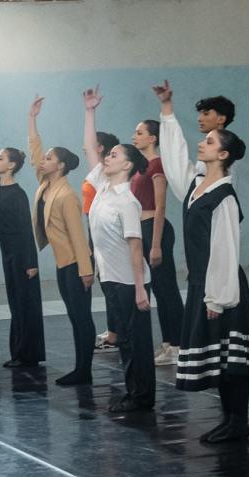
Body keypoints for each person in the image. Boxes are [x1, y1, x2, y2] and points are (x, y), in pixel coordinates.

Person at [154, 79, 249, 443]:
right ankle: (230, 419)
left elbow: (226, 251)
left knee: (233, 359)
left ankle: (239, 421)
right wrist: (167, 112)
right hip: (204, 285)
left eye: (210, 141)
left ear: (223, 155)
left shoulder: (224, 196)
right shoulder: (196, 184)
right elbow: (173, 161)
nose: (202, 141)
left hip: (222, 288)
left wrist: (218, 297)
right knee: (220, 357)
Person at [83, 85, 156, 412]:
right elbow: (90, 150)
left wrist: (141, 288)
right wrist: (90, 111)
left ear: (127, 166)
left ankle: (141, 397)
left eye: (114, 155)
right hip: (111, 278)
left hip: (131, 282)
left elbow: (135, 244)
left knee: (136, 342)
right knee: (124, 340)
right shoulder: (101, 185)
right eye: (108, 155)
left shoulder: (127, 200)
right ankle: (133, 392)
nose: (107, 157)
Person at [28, 95, 97, 386]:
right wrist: (32, 119)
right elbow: (33, 154)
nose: (43, 161)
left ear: (61, 166)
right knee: (73, 315)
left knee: (81, 317)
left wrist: (85, 270)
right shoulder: (46, 184)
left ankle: (84, 370)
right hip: (61, 262)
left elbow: (79, 235)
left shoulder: (67, 194)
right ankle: (81, 368)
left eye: (49, 159)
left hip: (74, 263)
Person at [0, 115, 46, 368]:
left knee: (24, 301)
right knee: (14, 300)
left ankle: (27, 353)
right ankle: (19, 352)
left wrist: (31, 262)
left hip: (19, 250)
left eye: (1, 158)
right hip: (6, 248)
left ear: (12, 166)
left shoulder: (18, 194)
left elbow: (27, 229)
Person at [129, 118, 185, 366]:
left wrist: (155, 244)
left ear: (152, 138)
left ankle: (180, 345)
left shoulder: (157, 165)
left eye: (139, 132)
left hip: (155, 228)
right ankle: (167, 343)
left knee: (167, 290)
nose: (135, 136)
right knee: (159, 290)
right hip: (142, 228)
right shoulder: (140, 167)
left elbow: (161, 205)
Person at [88, 131, 123, 353]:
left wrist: (89, 112)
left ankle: (119, 334)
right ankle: (114, 332)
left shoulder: (122, 192)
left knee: (115, 289)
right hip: (96, 229)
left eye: (114, 155)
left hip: (112, 237)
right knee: (107, 285)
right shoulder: (100, 177)